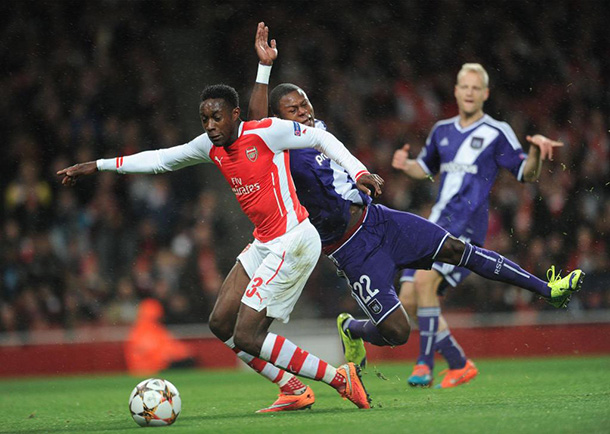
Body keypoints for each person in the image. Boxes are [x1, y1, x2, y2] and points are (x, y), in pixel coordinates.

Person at [244, 23, 584, 401]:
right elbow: (254, 124)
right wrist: (264, 69)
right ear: (278, 120)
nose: (304, 112)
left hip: (380, 221)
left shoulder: (317, 129)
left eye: (305, 104)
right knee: (397, 332)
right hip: (350, 249)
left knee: (457, 249)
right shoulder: (278, 150)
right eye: (292, 110)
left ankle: (548, 290)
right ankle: (352, 328)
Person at [57, 82, 382, 411]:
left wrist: (358, 171)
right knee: (221, 323)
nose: (210, 126)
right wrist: (98, 165)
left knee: (247, 335)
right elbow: (160, 159)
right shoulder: (208, 146)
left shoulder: (266, 132)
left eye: (217, 117)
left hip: (293, 239)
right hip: (264, 241)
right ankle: (291, 387)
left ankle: (339, 378)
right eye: (205, 119)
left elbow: (321, 138)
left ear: (235, 114)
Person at [391, 63, 571, 388]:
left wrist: (535, 152)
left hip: (466, 227)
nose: (470, 92)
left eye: (476, 88)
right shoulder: (442, 131)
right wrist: (407, 165)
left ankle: (424, 365)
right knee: (407, 300)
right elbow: (426, 167)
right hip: (436, 222)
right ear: (456, 91)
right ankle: (459, 363)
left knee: (425, 282)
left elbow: (526, 173)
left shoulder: (496, 132)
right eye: (465, 86)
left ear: (485, 93)